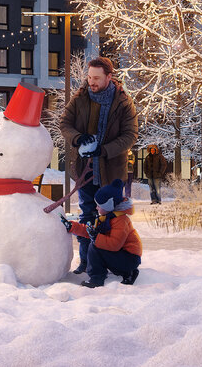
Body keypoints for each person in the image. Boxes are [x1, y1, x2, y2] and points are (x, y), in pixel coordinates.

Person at [59, 56, 139, 275]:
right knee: (87, 216)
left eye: (96, 78)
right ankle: (86, 263)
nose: (91, 82)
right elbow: (64, 123)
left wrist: (104, 150)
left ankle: (110, 263)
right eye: (89, 77)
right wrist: (77, 138)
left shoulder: (123, 102)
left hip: (111, 174)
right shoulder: (81, 98)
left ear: (109, 77)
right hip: (86, 171)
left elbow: (130, 135)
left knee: (111, 221)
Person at [64, 179, 142, 288]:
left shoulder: (121, 220)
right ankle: (127, 272)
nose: (96, 208)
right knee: (95, 244)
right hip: (122, 256)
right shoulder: (106, 218)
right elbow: (90, 231)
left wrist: (95, 237)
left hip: (129, 258)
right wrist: (72, 226)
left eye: (99, 206)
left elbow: (115, 244)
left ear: (109, 206)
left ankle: (97, 279)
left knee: (95, 246)